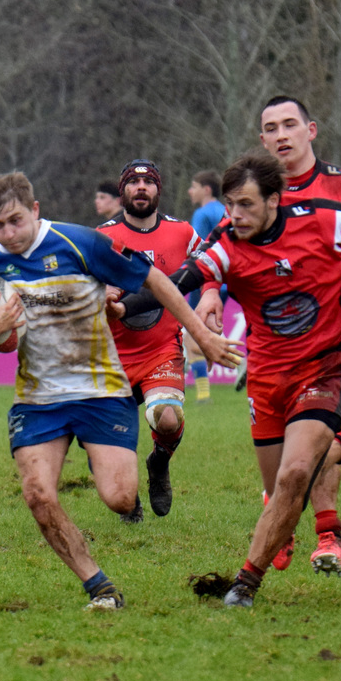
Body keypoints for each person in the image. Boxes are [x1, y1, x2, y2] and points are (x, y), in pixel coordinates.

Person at [115, 153, 341, 608]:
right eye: (230, 205)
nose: (235, 215)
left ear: (274, 201)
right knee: (280, 483)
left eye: (245, 204)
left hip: (327, 362)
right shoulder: (226, 243)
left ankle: (244, 584)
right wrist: (123, 307)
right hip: (266, 373)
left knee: (295, 472)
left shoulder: (324, 220)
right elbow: (176, 282)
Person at [0, 173, 240, 611]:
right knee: (38, 495)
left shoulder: (80, 243)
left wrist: (200, 332)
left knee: (121, 499)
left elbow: (156, 280)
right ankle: (99, 587)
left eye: (15, 221)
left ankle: (103, 448)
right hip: (39, 399)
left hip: (100, 389)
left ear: (35, 210)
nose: (7, 234)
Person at [207, 95, 341, 577]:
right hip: (271, 347)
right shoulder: (252, 195)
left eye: (290, 124)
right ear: (262, 140)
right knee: (293, 453)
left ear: (311, 130)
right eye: (271, 128)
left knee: (304, 444)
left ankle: (328, 534)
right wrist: (208, 294)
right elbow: (216, 253)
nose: (281, 134)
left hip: (332, 342)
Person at [96, 160, 210, 519]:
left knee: (167, 419)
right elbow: (80, 283)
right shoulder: (101, 237)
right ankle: (127, 497)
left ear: (159, 189)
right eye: (133, 182)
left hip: (160, 350)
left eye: (148, 182)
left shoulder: (182, 232)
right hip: (109, 355)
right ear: (122, 191)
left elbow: (212, 265)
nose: (141, 187)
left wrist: (210, 295)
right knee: (109, 443)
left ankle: (159, 461)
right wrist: (100, 293)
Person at [184, 171, 226, 402]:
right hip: (226, 281)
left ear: (206, 189)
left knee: (192, 334)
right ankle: (242, 366)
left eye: (194, 186)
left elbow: (198, 250)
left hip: (205, 282)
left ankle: (203, 394)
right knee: (212, 332)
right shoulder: (225, 210)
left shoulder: (202, 213)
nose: (190, 191)